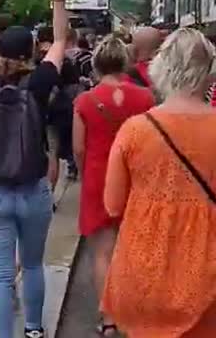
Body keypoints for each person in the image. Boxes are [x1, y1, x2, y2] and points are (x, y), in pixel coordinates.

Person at [103, 28, 216, 338]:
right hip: (207, 272)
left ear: (161, 68)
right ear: (209, 73)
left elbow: (113, 206)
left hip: (144, 265)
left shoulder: (135, 131)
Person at [0, 0, 66, 337]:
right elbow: (60, 40)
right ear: (31, 53)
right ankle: (34, 330)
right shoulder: (39, 82)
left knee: (1, 275)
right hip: (32, 189)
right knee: (35, 265)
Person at [71, 35, 154, 337]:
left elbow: (78, 147)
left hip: (98, 178)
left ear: (95, 64)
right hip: (135, 178)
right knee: (134, 248)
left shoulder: (84, 101)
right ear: (125, 62)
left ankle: (108, 319)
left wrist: (84, 173)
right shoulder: (145, 98)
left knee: (102, 253)